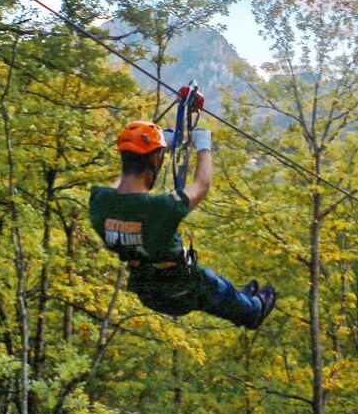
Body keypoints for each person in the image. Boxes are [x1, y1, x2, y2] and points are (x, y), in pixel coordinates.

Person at [89, 119, 276, 330]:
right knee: (214, 287)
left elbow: (117, 187)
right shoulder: (159, 208)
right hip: (180, 288)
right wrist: (203, 145)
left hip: (147, 289)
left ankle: (241, 302)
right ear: (153, 160)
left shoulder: (98, 203)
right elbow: (201, 185)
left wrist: (159, 148)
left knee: (217, 291)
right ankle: (253, 311)